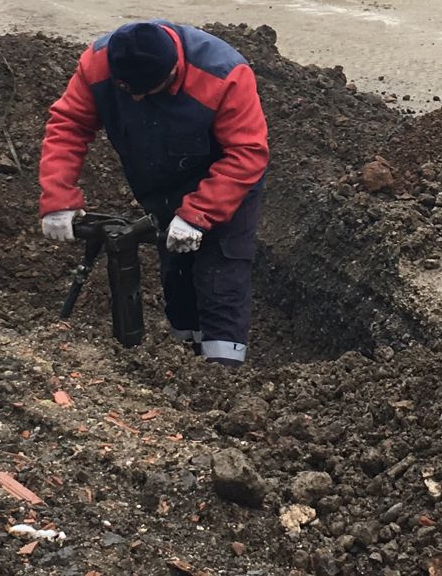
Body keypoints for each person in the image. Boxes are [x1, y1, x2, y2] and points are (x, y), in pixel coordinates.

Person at [39, 21, 269, 365]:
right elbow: (69, 125)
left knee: (220, 279)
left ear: (173, 72)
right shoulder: (99, 64)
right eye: (126, 90)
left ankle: (224, 374)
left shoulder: (222, 73)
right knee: (177, 276)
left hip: (227, 184)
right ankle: (186, 360)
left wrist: (199, 213)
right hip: (164, 183)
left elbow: (247, 152)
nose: (135, 99)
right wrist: (58, 197)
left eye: (147, 92)